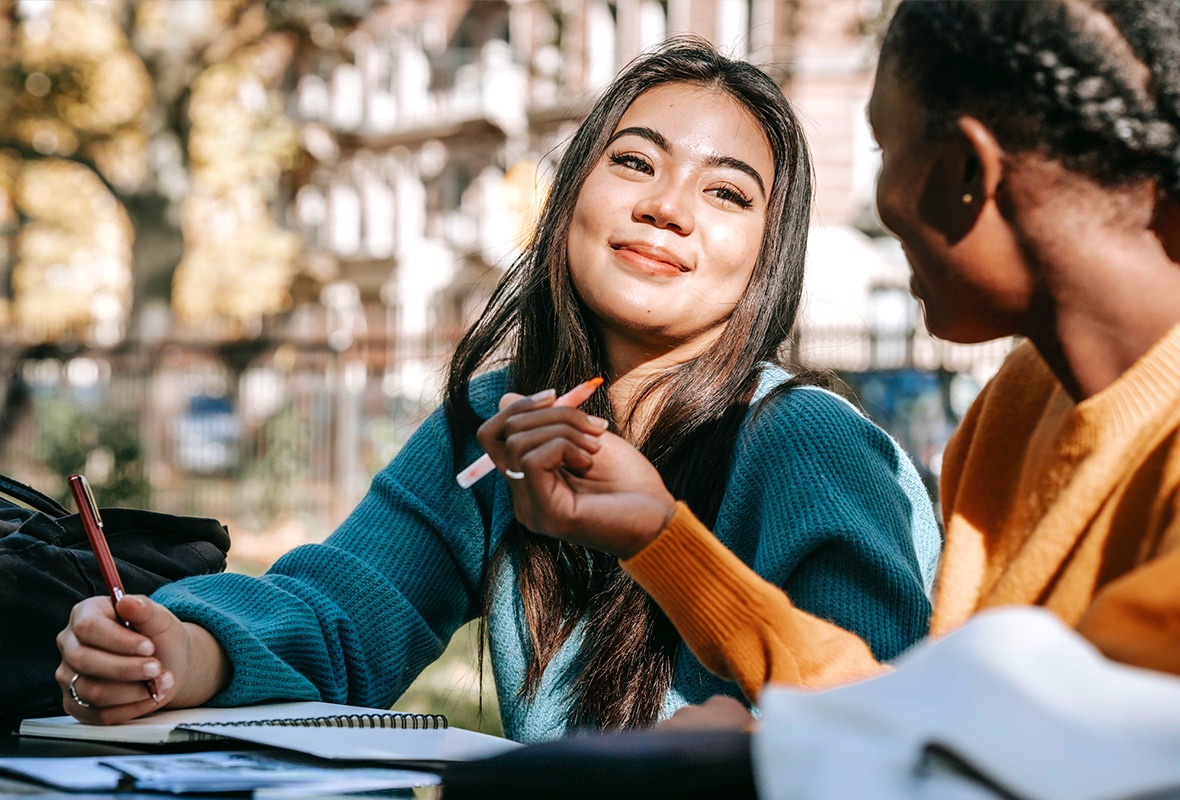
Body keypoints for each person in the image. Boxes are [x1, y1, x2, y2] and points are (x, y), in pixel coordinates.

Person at [54, 38, 941, 743]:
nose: (667, 206)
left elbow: (879, 717)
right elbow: (345, 613)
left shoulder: (807, 443)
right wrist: (186, 652)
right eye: (635, 163)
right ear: (570, 198)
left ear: (768, 262)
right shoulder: (496, 419)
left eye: (725, 192)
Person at [482, 0, 1180, 713]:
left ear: (969, 170)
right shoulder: (1020, 404)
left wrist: (760, 761)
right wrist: (661, 539)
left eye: (881, 148)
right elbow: (932, 718)